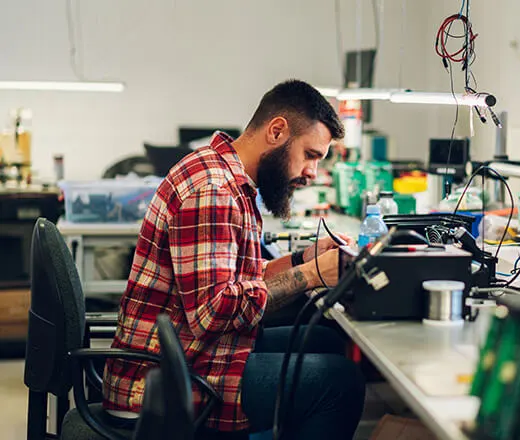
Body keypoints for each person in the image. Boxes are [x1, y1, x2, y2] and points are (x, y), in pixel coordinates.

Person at [103, 80, 365, 439]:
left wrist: (305, 257)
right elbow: (214, 312)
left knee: (325, 341)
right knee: (340, 382)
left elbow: (238, 276)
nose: (311, 173)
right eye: (310, 155)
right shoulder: (213, 190)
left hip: (188, 357)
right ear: (277, 131)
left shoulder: (227, 177)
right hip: (162, 387)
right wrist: (313, 274)